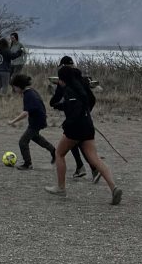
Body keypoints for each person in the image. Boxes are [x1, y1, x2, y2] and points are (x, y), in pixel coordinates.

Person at [45, 65, 122, 204]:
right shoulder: (81, 88)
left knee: (59, 154)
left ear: (63, 79)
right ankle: (113, 187)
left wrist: (67, 123)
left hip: (75, 129)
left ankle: (61, 188)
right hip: (88, 126)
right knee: (95, 159)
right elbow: (83, 104)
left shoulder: (69, 90)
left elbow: (75, 110)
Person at [55, 56, 99, 181]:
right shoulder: (81, 77)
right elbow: (91, 98)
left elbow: (60, 97)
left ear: (63, 66)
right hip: (82, 117)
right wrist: (87, 113)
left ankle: (85, 167)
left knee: (73, 141)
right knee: (78, 142)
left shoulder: (69, 79)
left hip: (77, 118)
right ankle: (89, 168)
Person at [8, 73, 55, 170]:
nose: (14, 90)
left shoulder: (28, 95)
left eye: (14, 87)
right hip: (39, 119)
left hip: (37, 121)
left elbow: (25, 113)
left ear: (19, 86)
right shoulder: (31, 91)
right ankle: (54, 151)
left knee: (23, 142)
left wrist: (13, 121)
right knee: (36, 138)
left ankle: (27, 164)